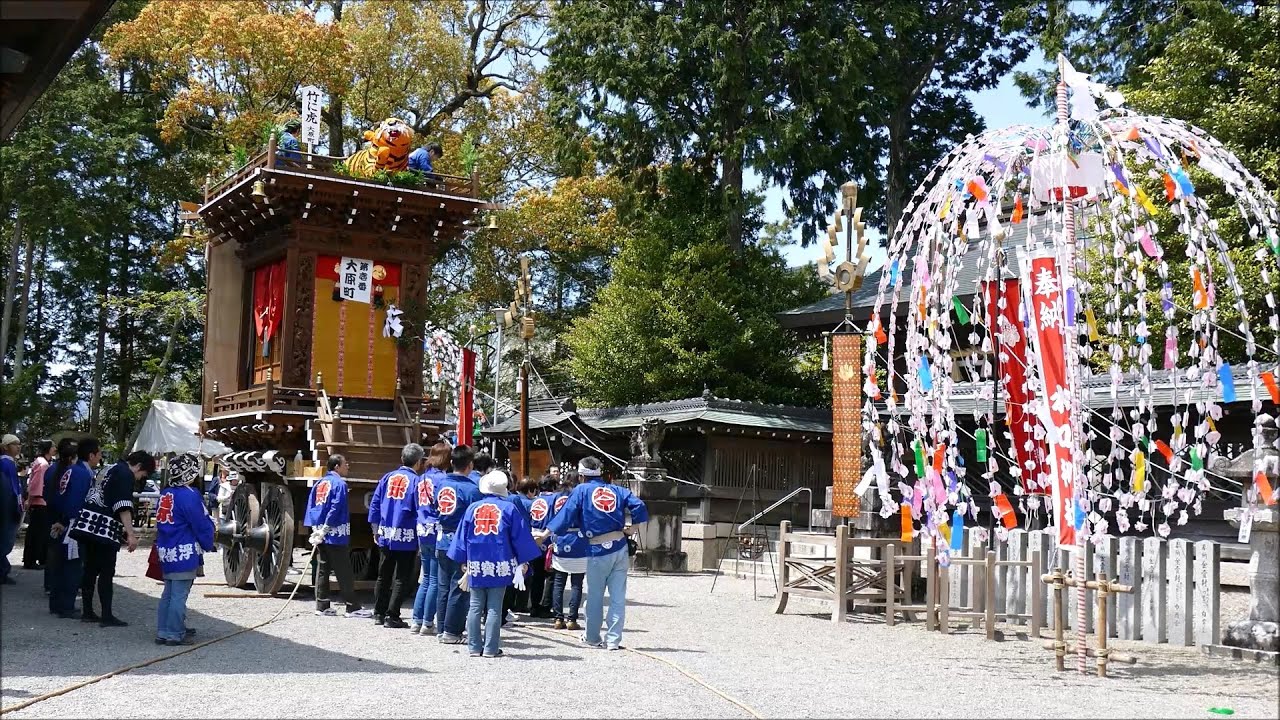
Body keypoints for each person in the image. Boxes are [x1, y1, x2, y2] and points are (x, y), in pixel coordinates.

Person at [547, 456, 648, 650]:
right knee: (618, 596)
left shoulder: (581, 490)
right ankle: (613, 641)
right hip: (620, 545)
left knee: (595, 595)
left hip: (597, 548)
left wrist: (546, 533)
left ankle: (593, 637)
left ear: (582, 475)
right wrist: (633, 528)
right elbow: (639, 505)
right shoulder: (617, 489)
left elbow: (566, 515)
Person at [448, 470, 541, 658]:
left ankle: (474, 647)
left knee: (475, 605)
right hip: (500, 562)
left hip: (476, 561)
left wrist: (463, 559)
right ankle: (491, 648)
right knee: (494, 607)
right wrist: (523, 561)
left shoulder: (473, 508)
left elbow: (462, 537)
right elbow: (519, 538)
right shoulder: (509, 509)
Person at [78, 445, 152, 627]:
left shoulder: (108, 467)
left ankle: (87, 611)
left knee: (89, 569)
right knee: (106, 571)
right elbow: (123, 507)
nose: (141, 478)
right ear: (138, 466)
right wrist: (131, 534)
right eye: (143, 474)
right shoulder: (125, 474)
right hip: (104, 527)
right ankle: (106, 615)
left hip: (87, 522)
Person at [153, 454, 215, 646]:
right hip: (184, 549)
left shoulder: (166, 493)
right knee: (179, 594)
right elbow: (201, 523)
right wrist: (209, 541)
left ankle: (164, 630)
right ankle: (174, 632)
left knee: (169, 593)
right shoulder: (189, 495)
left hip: (166, 547)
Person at [306, 454, 372, 618]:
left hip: (321, 532)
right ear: (337, 466)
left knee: (323, 568)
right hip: (335, 533)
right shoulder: (339, 484)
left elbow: (312, 505)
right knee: (344, 570)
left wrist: (316, 529)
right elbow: (335, 507)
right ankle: (352, 607)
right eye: (345, 464)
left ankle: (322, 605)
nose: (347, 466)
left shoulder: (320, 483)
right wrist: (327, 527)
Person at [368, 444, 425, 629]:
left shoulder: (387, 477)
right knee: (402, 576)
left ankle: (378, 613)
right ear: (418, 462)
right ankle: (392, 615)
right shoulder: (417, 481)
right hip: (406, 534)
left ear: (402, 459)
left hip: (385, 532)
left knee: (383, 575)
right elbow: (420, 510)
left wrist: (375, 528)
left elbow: (375, 503)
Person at [433, 444, 484, 644]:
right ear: (470, 465)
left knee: (443, 585)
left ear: (452, 462)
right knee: (459, 586)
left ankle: (442, 628)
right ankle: (452, 631)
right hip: (460, 541)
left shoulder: (440, 484)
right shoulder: (472, 490)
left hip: (441, 537)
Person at [411, 441, 450, 635]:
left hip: (421, 527)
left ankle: (416, 620)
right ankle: (427, 622)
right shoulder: (443, 480)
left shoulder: (421, 478)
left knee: (425, 578)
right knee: (435, 579)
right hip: (436, 529)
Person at [545, 471, 587, 630]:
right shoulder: (580, 497)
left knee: (558, 582)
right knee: (577, 583)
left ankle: (557, 618)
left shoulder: (556, 497)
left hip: (560, 539)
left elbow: (550, 520)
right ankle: (572, 619)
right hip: (578, 540)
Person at [44, 438, 77, 605]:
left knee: (53, 551)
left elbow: (46, 492)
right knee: (65, 556)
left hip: (51, 512)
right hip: (63, 516)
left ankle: (50, 586)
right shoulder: (72, 471)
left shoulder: (52, 469)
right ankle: (62, 594)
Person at [21, 440, 53, 571]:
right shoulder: (43, 464)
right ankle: (32, 559)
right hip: (40, 501)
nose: (55, 449)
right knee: (37, 533)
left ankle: (34, 558)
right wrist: (31, 498)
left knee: (37, 532)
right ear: (48, 449)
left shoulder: (40, 462)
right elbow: (36, 484)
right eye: (53, 447)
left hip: (38, 501)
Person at [0, 434, 22, 585]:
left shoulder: (9, 462)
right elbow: (13, 488)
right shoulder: (6, 463)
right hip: (8, 506)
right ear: (6, 447)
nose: (18, 446)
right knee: (5, 538)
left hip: (8, 505)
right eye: (15, 444)